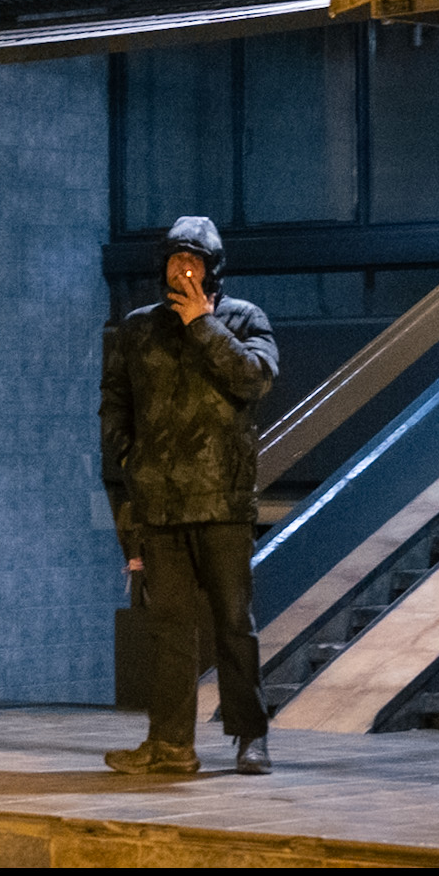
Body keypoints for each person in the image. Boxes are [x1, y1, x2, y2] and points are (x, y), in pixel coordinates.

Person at [99, 215, 279, 775]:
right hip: (161, 504)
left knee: (233, 624)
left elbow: (254, 380)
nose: (183, 269)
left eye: (194, 261)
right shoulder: (138, 328)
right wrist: (128, 463)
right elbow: (115, 402)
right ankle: (171, 744)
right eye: (176, 259)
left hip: (223, 501)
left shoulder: (243, 319)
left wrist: (202, 323)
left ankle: (251, 737)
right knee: (169, 629)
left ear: (212, 269)